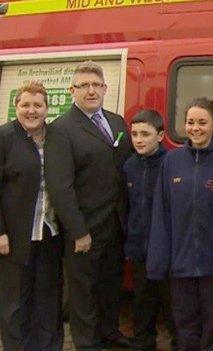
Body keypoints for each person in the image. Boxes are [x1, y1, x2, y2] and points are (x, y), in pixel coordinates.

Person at [46, 61, 134, 349]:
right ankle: (86, 342)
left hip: (116, 224)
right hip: (85, 228)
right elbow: (60, 187)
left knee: (110, 285)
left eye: (96, 85)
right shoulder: (61, 129)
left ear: (105, 89)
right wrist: (78, 231)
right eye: (84, 85)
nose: (91, 90)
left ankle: (110, 332)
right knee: (83, 291)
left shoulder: (117, 122)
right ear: (73, 90)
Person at [147, 97, 213, 350]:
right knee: (185, 328)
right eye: (190, 122)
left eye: (202, 122)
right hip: (180, 265)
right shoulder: (171, 162)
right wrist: (159, 261)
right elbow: (161, 215)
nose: (195, 128)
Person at [0, 81, 63, 350]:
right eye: (25, 104)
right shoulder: (4, 138)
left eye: (38, 105)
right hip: (14, 237)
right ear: (16, 107)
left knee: (47, 299)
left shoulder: (56, 138)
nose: (31, 110)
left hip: (49, 233)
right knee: (15, 301)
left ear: (47, 109)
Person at [123, 109, 176, 350]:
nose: (139, 139)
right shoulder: (129, 166)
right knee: (142, 302)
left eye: (145, 134)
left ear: (161, 135)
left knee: (172, 303)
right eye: (134, 134)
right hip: (139, 249)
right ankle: (144, 342)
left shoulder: (173, 164)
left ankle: (179, 342)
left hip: (167, 250)